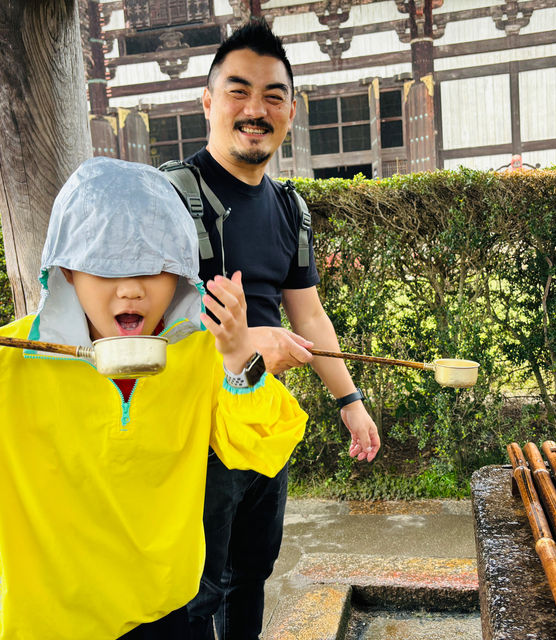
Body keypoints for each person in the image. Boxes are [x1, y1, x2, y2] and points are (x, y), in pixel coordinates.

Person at [0, 156, 307, 640]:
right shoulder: (11, 362)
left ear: (182, 273)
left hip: (168, 610)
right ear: (67, 272)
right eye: (104, 267)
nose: (131, 290)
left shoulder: (199, 353)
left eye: (153, 267)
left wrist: (238, 360)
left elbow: (263, 444)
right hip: (49, 620)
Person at [179, 19, 382, 640]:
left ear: (291, 111)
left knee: (252, 571)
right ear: (209, 101)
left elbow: (308, 312)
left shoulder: (290, 208)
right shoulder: (172, 198)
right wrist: (241, 344)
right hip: (192, 429)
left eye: (272, 96)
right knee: (194, 585)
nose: (255, 110)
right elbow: (135, 320)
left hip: (262, 416)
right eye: (238, 91)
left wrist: (349, 400)